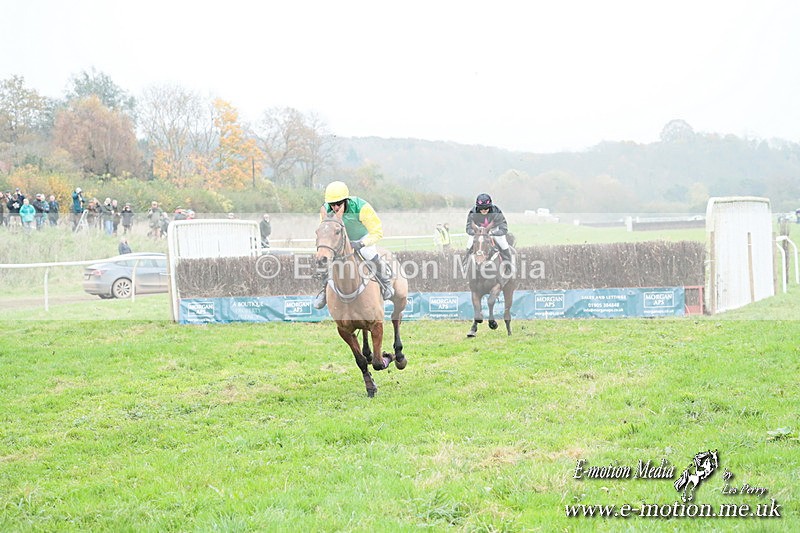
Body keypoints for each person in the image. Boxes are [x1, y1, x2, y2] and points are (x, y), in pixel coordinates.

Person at [313, 181, 394, 309]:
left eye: (338, 204)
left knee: (368, 253)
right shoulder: (325, 209)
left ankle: (385, 282)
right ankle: (324, 290)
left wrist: (361, 243)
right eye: (332, 204)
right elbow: (326, 231)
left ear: (346, 200)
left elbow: (377, 232)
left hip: (362, 238)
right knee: (326, 257)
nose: (335, 207)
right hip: (340, 240)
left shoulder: (361, 208)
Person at [465, 193, 512, 262]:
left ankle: (509, 264)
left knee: (503, 244)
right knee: (469, 244)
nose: (484, 210)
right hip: (478, 230)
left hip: (494, 230)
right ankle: (465, 264)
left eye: (486, 208)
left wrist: (494, 233)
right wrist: (475, 233)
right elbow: (468, 228)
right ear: (478, 207)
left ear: (490, 207)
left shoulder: (497, 211)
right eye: (481, 208)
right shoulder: (473, 212)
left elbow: (504, 228)